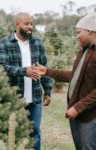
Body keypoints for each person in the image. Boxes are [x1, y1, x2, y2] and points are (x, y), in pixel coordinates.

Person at [34, 13, 96, 150]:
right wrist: (47, 72)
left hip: (90, 116)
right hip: (78, 113)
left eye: (79, 32)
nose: (77, 36)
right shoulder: (84, 51)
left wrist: (77, 107)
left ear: (90, 31)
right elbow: (75, 77)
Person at [0, 12, 52, 150]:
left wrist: (48, 91)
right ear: (17, 25)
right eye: (26, 23)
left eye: (31, 23)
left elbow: (44, 68)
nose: (30, 26)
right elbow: (2, 67)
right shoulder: (5, 43)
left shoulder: (37, 43)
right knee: (13, 133)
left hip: (35, 97)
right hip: (14, 97)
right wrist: (24, 71)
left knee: (35, 132)